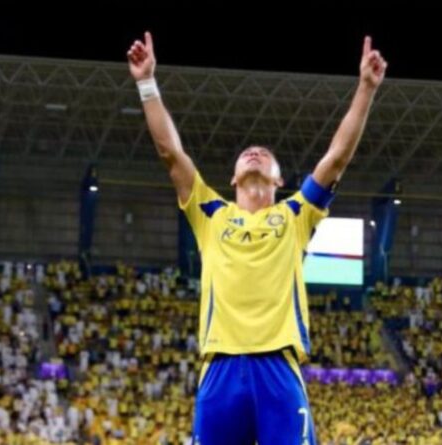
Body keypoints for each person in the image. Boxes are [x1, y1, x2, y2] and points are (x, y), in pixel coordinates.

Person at [126, 31, 387, 444]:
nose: (254, 152)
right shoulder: (209, 213)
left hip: (278, 369)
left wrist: (366, 89)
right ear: (231, 177)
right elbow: (171, 154)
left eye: (264, 154)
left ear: (278, 179)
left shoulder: (296, 215)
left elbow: (336, 157)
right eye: (246, 152)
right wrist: (146, 83)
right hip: (220, 370)